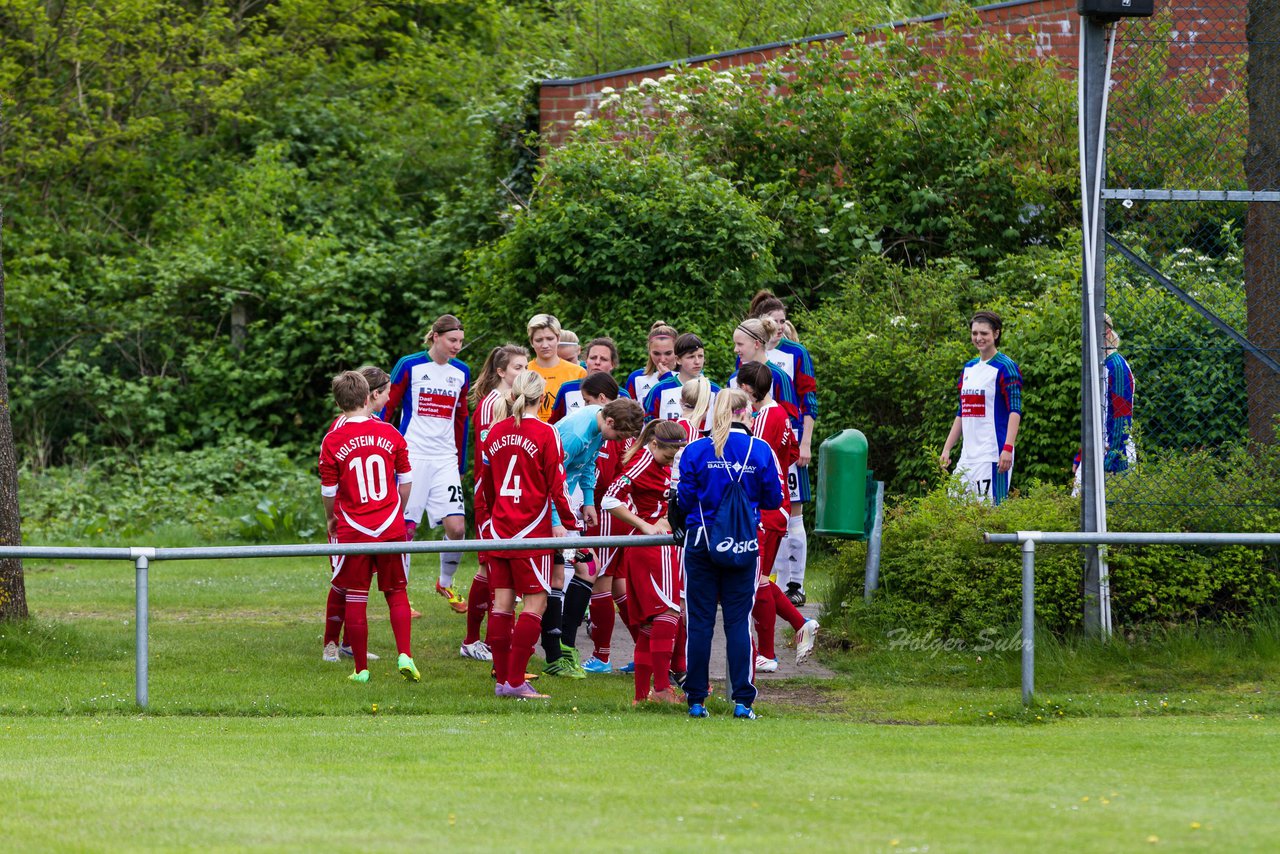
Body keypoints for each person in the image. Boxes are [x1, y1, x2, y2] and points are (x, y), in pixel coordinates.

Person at [673, 388, 783, 720]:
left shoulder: (695, 450)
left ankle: (696, 699)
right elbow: (773, 498)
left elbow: (684, 499)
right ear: (746, 413)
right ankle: (742, 701)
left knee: (701, 622)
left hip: (701, 542)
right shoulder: (760, 450)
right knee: (738, 622)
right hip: (744, 544)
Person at [478, 370, 577, 700]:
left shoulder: (493, 433)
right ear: (542, 397)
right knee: (534, 604)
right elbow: (556, 486)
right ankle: (516, 681)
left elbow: (485, 487)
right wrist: (568, 522)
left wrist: (490, 521)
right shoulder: (547, 432)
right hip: (530, 531)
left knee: (502, 605)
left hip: (498, 530)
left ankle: (503, 680)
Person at [318, 371, 418, 684]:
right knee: (397, 592)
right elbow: (406, 480)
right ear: (367, 398)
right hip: (389, 526)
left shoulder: (333, 439)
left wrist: (331, 518)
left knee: (356, 596)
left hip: (354, 529)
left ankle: (361, 669)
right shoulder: (390, 433)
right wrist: (397, 511)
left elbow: (329, 492)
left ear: (338, 403)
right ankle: (405, 654)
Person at [545, 397, 646, 677]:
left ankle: (565, 646)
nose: (618, 441)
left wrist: (588, 501)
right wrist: (556, 522)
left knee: (588, 568)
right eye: (619, 436)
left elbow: (587, 467)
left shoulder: (600, 427)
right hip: (548, 505)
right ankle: (555, 652)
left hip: (568, 501)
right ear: (610, 422)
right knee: (559, 576)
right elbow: (549, 476)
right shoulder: (576, 434)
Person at [384, 314, 471, 613]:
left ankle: (445, 582)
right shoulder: (409, 365)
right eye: (452, 340)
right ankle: (401, 596)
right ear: (435, 336)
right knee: (406, 528)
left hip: (445, 459)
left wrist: (460, 460)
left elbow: (462, 418)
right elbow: (388, 407)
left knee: (457, 527)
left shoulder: (461, 371)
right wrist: (385, 452)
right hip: (413, 457)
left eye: (460, 341)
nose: (457, 346)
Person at [737, 362, 820, 670]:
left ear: (746, 390)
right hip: (774, 505)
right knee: (758, 579)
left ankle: (769, 653)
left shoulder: (763, 420)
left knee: (758, 579)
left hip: (767, 510)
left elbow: (751, 461)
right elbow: (787, 455)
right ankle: (801, 624)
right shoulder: (779, 414)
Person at [602, 420, 688, 704]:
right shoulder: (642, 463)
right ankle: (662, 690)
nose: (672, 462)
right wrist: (646, 525)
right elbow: (610, 499)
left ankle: (642, 696)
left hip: (652, 550)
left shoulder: (662, 462)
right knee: (669, 614)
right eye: (668, 456)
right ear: (653, 445)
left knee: (651, 624)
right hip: (652, 550)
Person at [748, 291, 819, 607]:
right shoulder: (748, 357)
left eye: (782, 321)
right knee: (763, 510)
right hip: (760, 444)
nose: (779, 326)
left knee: (794, 512)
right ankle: (767, 582)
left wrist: (805, 442)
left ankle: (796, 584)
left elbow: (808, 401)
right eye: (773, 321)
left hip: (788, 443)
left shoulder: (796, 353)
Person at [459, 344, 528, 662]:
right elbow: (492, 455)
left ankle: (487, 638)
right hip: (492, 495)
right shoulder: (493, 403)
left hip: (506, 494)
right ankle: (474, 640)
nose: (523, 372)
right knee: (490, 565)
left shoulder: (514, 401)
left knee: (496, 567)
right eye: (517, 367)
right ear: (501, 371)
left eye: (525, 367)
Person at [323, 365, 394, 664]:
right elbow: (331, 481)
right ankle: (330, 643)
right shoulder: (339, 429)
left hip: (373, 518)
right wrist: (335, 518)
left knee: (360, 582)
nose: (390, 398)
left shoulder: (377, 424)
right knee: (342, 580)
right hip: (347, 520)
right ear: (372, 395)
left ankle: (351, 643)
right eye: (387, 392)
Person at [940, 310, 1023, 505]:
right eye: (975, 333)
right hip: (967, 457)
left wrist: (1008, 448)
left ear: (996, 334)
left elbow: (1015, 410)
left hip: (992, 455)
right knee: (954, 510)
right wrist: (947, 448)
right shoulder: (969, 368)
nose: (979, 338)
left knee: (988, 514)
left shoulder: (1006, 367)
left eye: (984, 333)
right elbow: (962, 412)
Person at [1073, 313, 1136, 494]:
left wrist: (1113, 458)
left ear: (1106, 331)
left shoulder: (1116, 366)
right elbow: (1094, 416)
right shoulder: (1099, 365)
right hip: (1096, 449)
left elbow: (1122, 415)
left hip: (1113, 450)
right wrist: (1081, 455)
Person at [643, 332, 721, 422]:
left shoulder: (714, 390)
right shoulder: (659, 390)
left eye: (700, 356)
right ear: (678, 360)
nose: (697, 361)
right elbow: (649, 426)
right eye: (691, 357)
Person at [550, 337, 629, 423]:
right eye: (593, 358)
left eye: (603, 359)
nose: (597, 362)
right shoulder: (567, 389)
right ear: (586, 361)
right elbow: (554, 425)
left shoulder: (622, 396)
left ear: (612, 364)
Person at [527, 313, 586, 422]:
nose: (545, 345)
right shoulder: (524, 371)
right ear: (531, 342)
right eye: (539, 340)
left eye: (550, 338)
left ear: (558, 338)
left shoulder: (578, 373)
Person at [625, 321, 678, 404]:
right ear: (649, 351)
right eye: (656, 353)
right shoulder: (636, 377)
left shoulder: (687, 375)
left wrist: (668, 378)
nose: (662, 359)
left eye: (668, 353)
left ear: (677, 351)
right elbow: (627, 413)